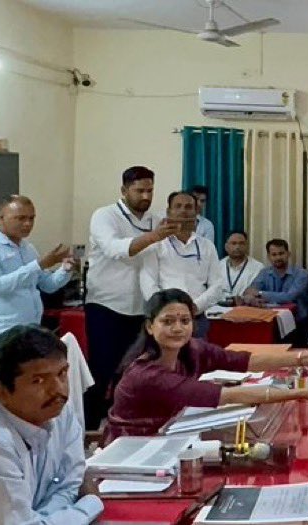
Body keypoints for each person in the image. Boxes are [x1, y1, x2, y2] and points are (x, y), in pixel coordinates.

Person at [103, 289, 308, 442]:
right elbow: (227, 396)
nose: (178, 328)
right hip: (134, 449)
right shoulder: (146, 374)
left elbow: (243, 360)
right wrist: (300, 392)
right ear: (150, 326)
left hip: (172, 436)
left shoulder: (192, 349)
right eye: (167, 321)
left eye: (185, 321)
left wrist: (302, 358)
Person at [0, 325, 103, 524]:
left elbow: (69, 485)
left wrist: (44, 519)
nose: (58, 390)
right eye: (39, 381)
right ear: (0, 391)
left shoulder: (59, 412)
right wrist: (90, 504)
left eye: (62, 374)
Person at [84, 165, 177, 429]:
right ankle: (90, 427)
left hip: (142, 307)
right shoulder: (105, 215)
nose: (145, 196)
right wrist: (154, 236)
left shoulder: (154, 218)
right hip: (107, 303)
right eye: (139, 191)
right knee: (102, 369)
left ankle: (128, 422)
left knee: (135, 370)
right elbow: (116, 250)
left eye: (150, 190)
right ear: (124, 190)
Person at [0, 195, 76, 374]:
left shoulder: (28, 248)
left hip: (30, 333)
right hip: (1, 335)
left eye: (32, 218)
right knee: (2, 394)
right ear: (1, 218)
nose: (28, 224)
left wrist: (66, 269)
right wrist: (38, 264)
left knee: (28, 394)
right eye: (21, 218)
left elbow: (47, 285)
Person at [140, 191, 224, 338]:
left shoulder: (207, 246)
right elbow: (148, 282)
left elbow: (217, 286)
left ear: (196, 211)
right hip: (164, 317)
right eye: (178, 206)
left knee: (197, 360)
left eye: (188, 207)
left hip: (196, 317)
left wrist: (194, 307)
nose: (183, 211)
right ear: (168, 212)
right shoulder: (156, 244)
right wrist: (168, 308)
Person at [244, 239, 308, 321]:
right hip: (268, 318)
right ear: (269, 256)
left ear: (288, 254)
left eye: (281, 253)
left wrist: (260, 293)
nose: (278, 257)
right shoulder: (264, 272)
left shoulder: (301, 274)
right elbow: (251, 290)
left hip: (295, 321)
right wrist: (252, 299)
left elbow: (289, 297)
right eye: (274, 255)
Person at [219, 230, 264, 301]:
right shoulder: (217, 266)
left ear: (247, 246)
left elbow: (256, 293)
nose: (237, 247)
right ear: (226, 247)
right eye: (233, 243)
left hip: (246, 308)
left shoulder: (258, 268)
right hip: (219, 308)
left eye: (241, 243)